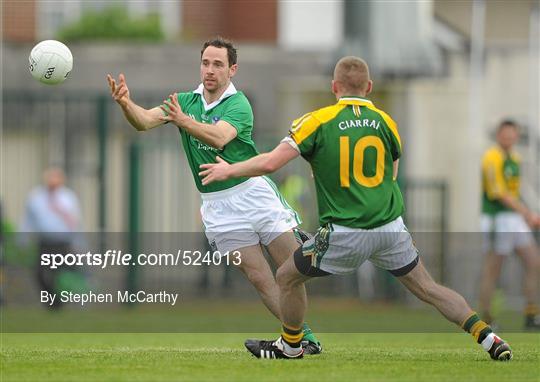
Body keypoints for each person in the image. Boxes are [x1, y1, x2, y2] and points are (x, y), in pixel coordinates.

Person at [200, 56, 513, 361]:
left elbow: (270, 162)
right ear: (370, 86)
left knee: (285, 277)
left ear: (334, 86)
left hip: (345, 232)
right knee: (429, 288)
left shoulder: (317, 121)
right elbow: (391, 172)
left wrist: (229, 170)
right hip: (390, 229)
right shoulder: (386, 121)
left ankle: (291, 346)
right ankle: (486, 336)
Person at [106, 37, 321, 353]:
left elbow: (220, 137)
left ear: (232, 69)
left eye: (218, 64)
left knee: (290, 270)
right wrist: (126, 104)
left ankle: (315, 260)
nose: (210, 70)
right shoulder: (184, 101)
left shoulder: (238, 104)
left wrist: (182, 121)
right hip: (218, 208)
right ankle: (304, 338)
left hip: (253, 194)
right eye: (205, 62)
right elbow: (144, 121)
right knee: (260, 278)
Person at [479, 120, 540, 329]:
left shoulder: (515, 158)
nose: (509, 137)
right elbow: (500, 193)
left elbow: (514, 191)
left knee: (534, 262)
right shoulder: (491, 157)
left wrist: (524, 214)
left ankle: (531, 315)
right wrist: (527, 213)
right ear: (498, 135)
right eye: (505, 134)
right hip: (497, 219)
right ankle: (486, 319)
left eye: (512, 134)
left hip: (513, 218)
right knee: (493, 269)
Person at [20, 167, 84, 308]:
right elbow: (27, 220)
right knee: (40, 273)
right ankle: (53, 302)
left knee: (64, 274)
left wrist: (79, 241)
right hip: (45, 243)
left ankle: (61, 301)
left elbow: (76, 221)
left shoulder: (68, 197)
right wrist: (23, 238)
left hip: (64, 243)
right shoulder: (36, 197)